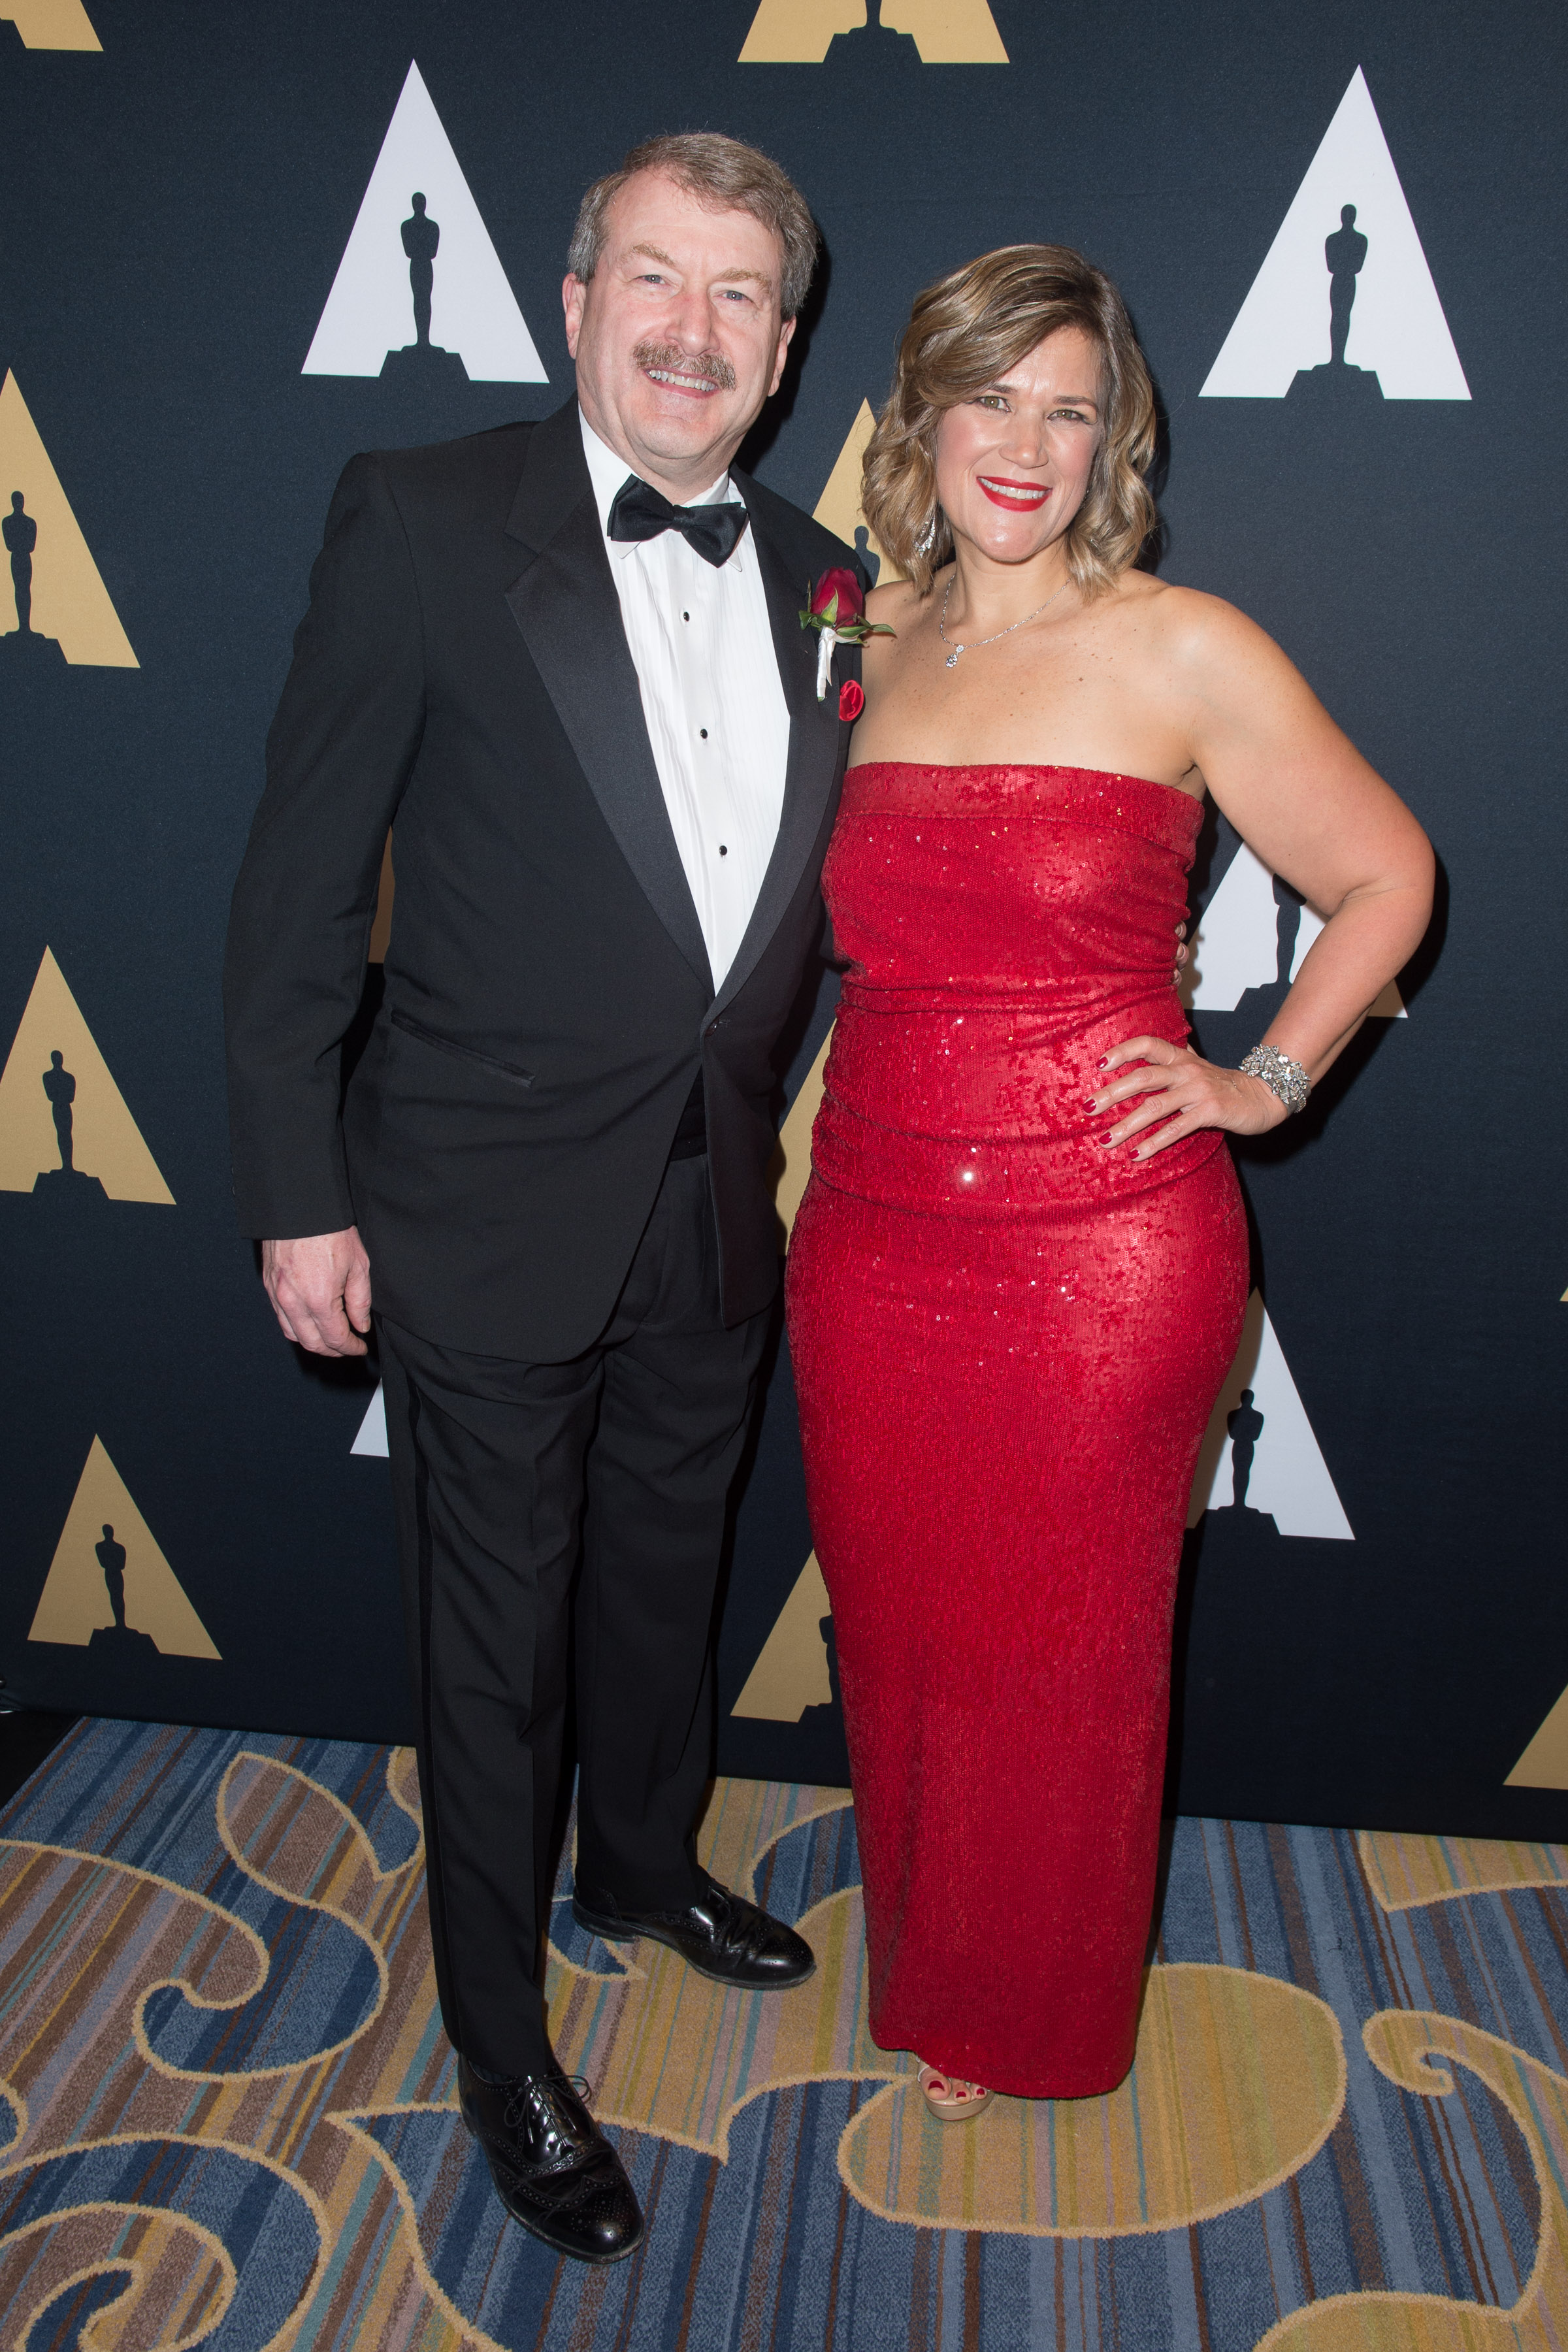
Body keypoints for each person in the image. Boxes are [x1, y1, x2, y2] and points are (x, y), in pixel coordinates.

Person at [223, 133, 867, 2263]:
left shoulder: (828, 576)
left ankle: (644, 1861)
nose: (694, 331)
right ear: (577, 302)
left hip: (710, 1202)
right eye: (656, 283)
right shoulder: (420, 520)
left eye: (742, 298)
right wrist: (302, 1189)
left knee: (663, 1580)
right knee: (492, 1652)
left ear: (783, 354)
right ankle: (500, 2036)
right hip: (477, 1202)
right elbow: (304, 883)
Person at [785, 244, 1433, 2119]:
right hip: (873, 1226)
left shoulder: (1185, 644)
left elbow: (1390, 875)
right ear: (924, 414)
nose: (1027, 442)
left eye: (1071, 408)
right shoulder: (870, 634)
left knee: (1060, 1661)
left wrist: (1269, 1081)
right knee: (909, 1635)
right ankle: (935, 1964)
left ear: (1113, 440)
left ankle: (1029, 2025)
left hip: (1102, 1247)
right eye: (993, 395)